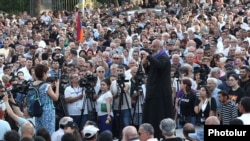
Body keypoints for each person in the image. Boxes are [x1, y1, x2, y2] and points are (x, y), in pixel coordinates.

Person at [141, 39, 173, 139]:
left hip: (160, 93)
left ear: (160, 47)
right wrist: (145, 64)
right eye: (152, 46)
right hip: (153, 92)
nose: (152, 49)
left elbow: (160, 66)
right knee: (150, 116)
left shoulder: (164, 57)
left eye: (154, 47)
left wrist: (148, 57)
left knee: (159, 115)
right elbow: (150, 71)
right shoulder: (155, 57)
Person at [33, 64, 59, 136]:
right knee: (49, 133)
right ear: (44, 73)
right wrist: (57, 86)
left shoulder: (33, 84)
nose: (48, 75)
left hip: (37, 111)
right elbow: (55, 98)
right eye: (47, 73)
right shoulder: (46, 85)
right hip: (48, 111)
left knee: (39, 132)